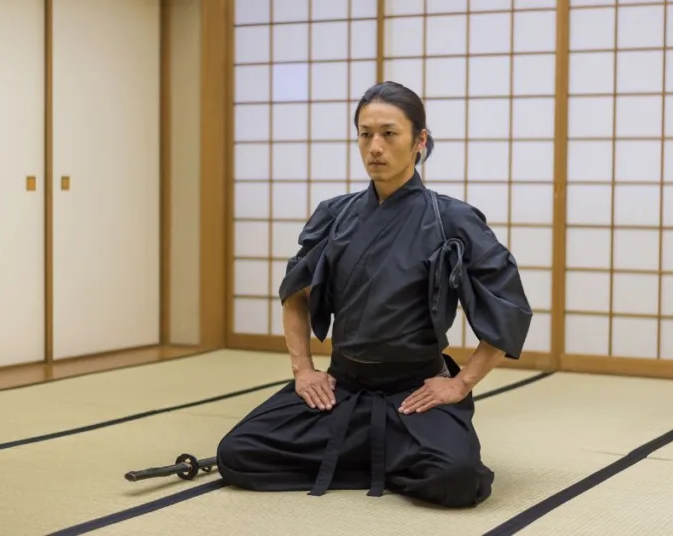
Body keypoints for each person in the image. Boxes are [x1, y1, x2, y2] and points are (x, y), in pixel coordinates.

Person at [216, 81, 533, 508]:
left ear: (419, 140)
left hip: (415, 392)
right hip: (342, 386)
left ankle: (369, 449)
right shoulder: (336, 213)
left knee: (459, 481)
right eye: (365, 135)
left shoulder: (453, 219)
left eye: (389, 134)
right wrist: (305, 372)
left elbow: (508, 308)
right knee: (237, 454)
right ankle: (384, 455)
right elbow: (295, 294)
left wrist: (459, 385)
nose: (375, 148)